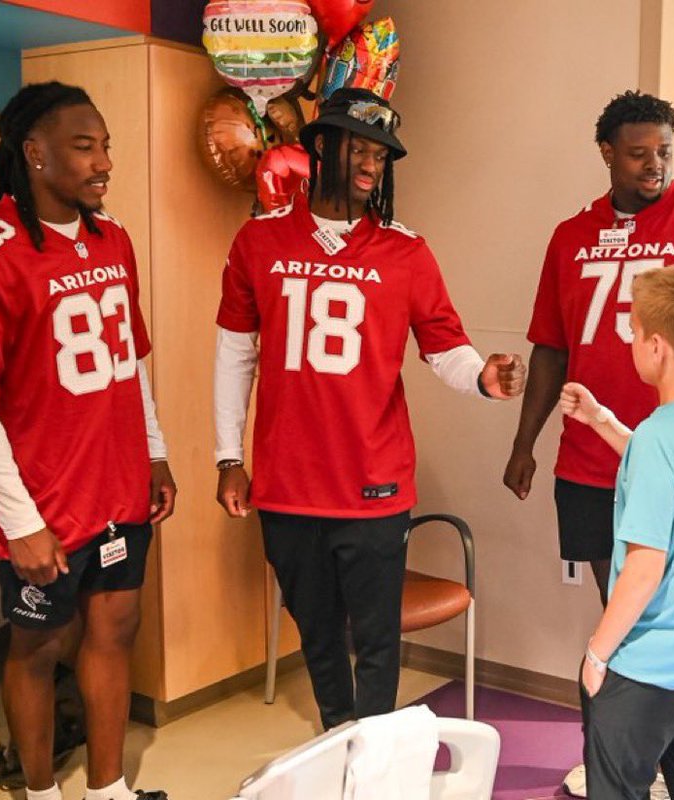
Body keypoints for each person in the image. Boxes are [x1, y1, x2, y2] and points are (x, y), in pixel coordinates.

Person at [213, 87, 527, 731]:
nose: (370, 164)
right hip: (286, 484)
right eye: (358, 146)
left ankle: (376, 755)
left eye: (381, 155)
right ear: (321, 145)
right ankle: (339, 738)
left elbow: (445, 349)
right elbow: (234, 354)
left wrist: (484, 379)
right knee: (318, 635)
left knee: (379, 641)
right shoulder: (258, 242)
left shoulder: (406, 251)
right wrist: (227, 456)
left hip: (374, 483)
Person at [0, 82, 175, 800]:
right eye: (85, 145)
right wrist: (21, 523)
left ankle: (107, 791)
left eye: (106, 145)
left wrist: (154, 449)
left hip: (119, 481)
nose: (104, 161)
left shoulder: (115, 237)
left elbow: (128, 359)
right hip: (44, 499)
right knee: (36, 648)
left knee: (116, 630)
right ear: (34, 153)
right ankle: (41, 793)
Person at [505, 90, 674, 608]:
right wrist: (523, 443)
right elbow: (551, 350)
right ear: (606, 151)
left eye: (665, 152)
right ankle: (613, 686)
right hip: (588, 458)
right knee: (617, 605)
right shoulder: (570, 236)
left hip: (672, 457)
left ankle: (634, 687)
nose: (655, 165)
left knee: (667, 608)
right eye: (638, 153)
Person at [559, 262, 674, 800]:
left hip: (652, 664)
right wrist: (602, 421)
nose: (632, 341)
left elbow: (643, 569)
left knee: (616, 788)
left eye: (635, 332)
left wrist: (596, 657)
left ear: (658, 346)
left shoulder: (660, 439)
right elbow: (671, 476)